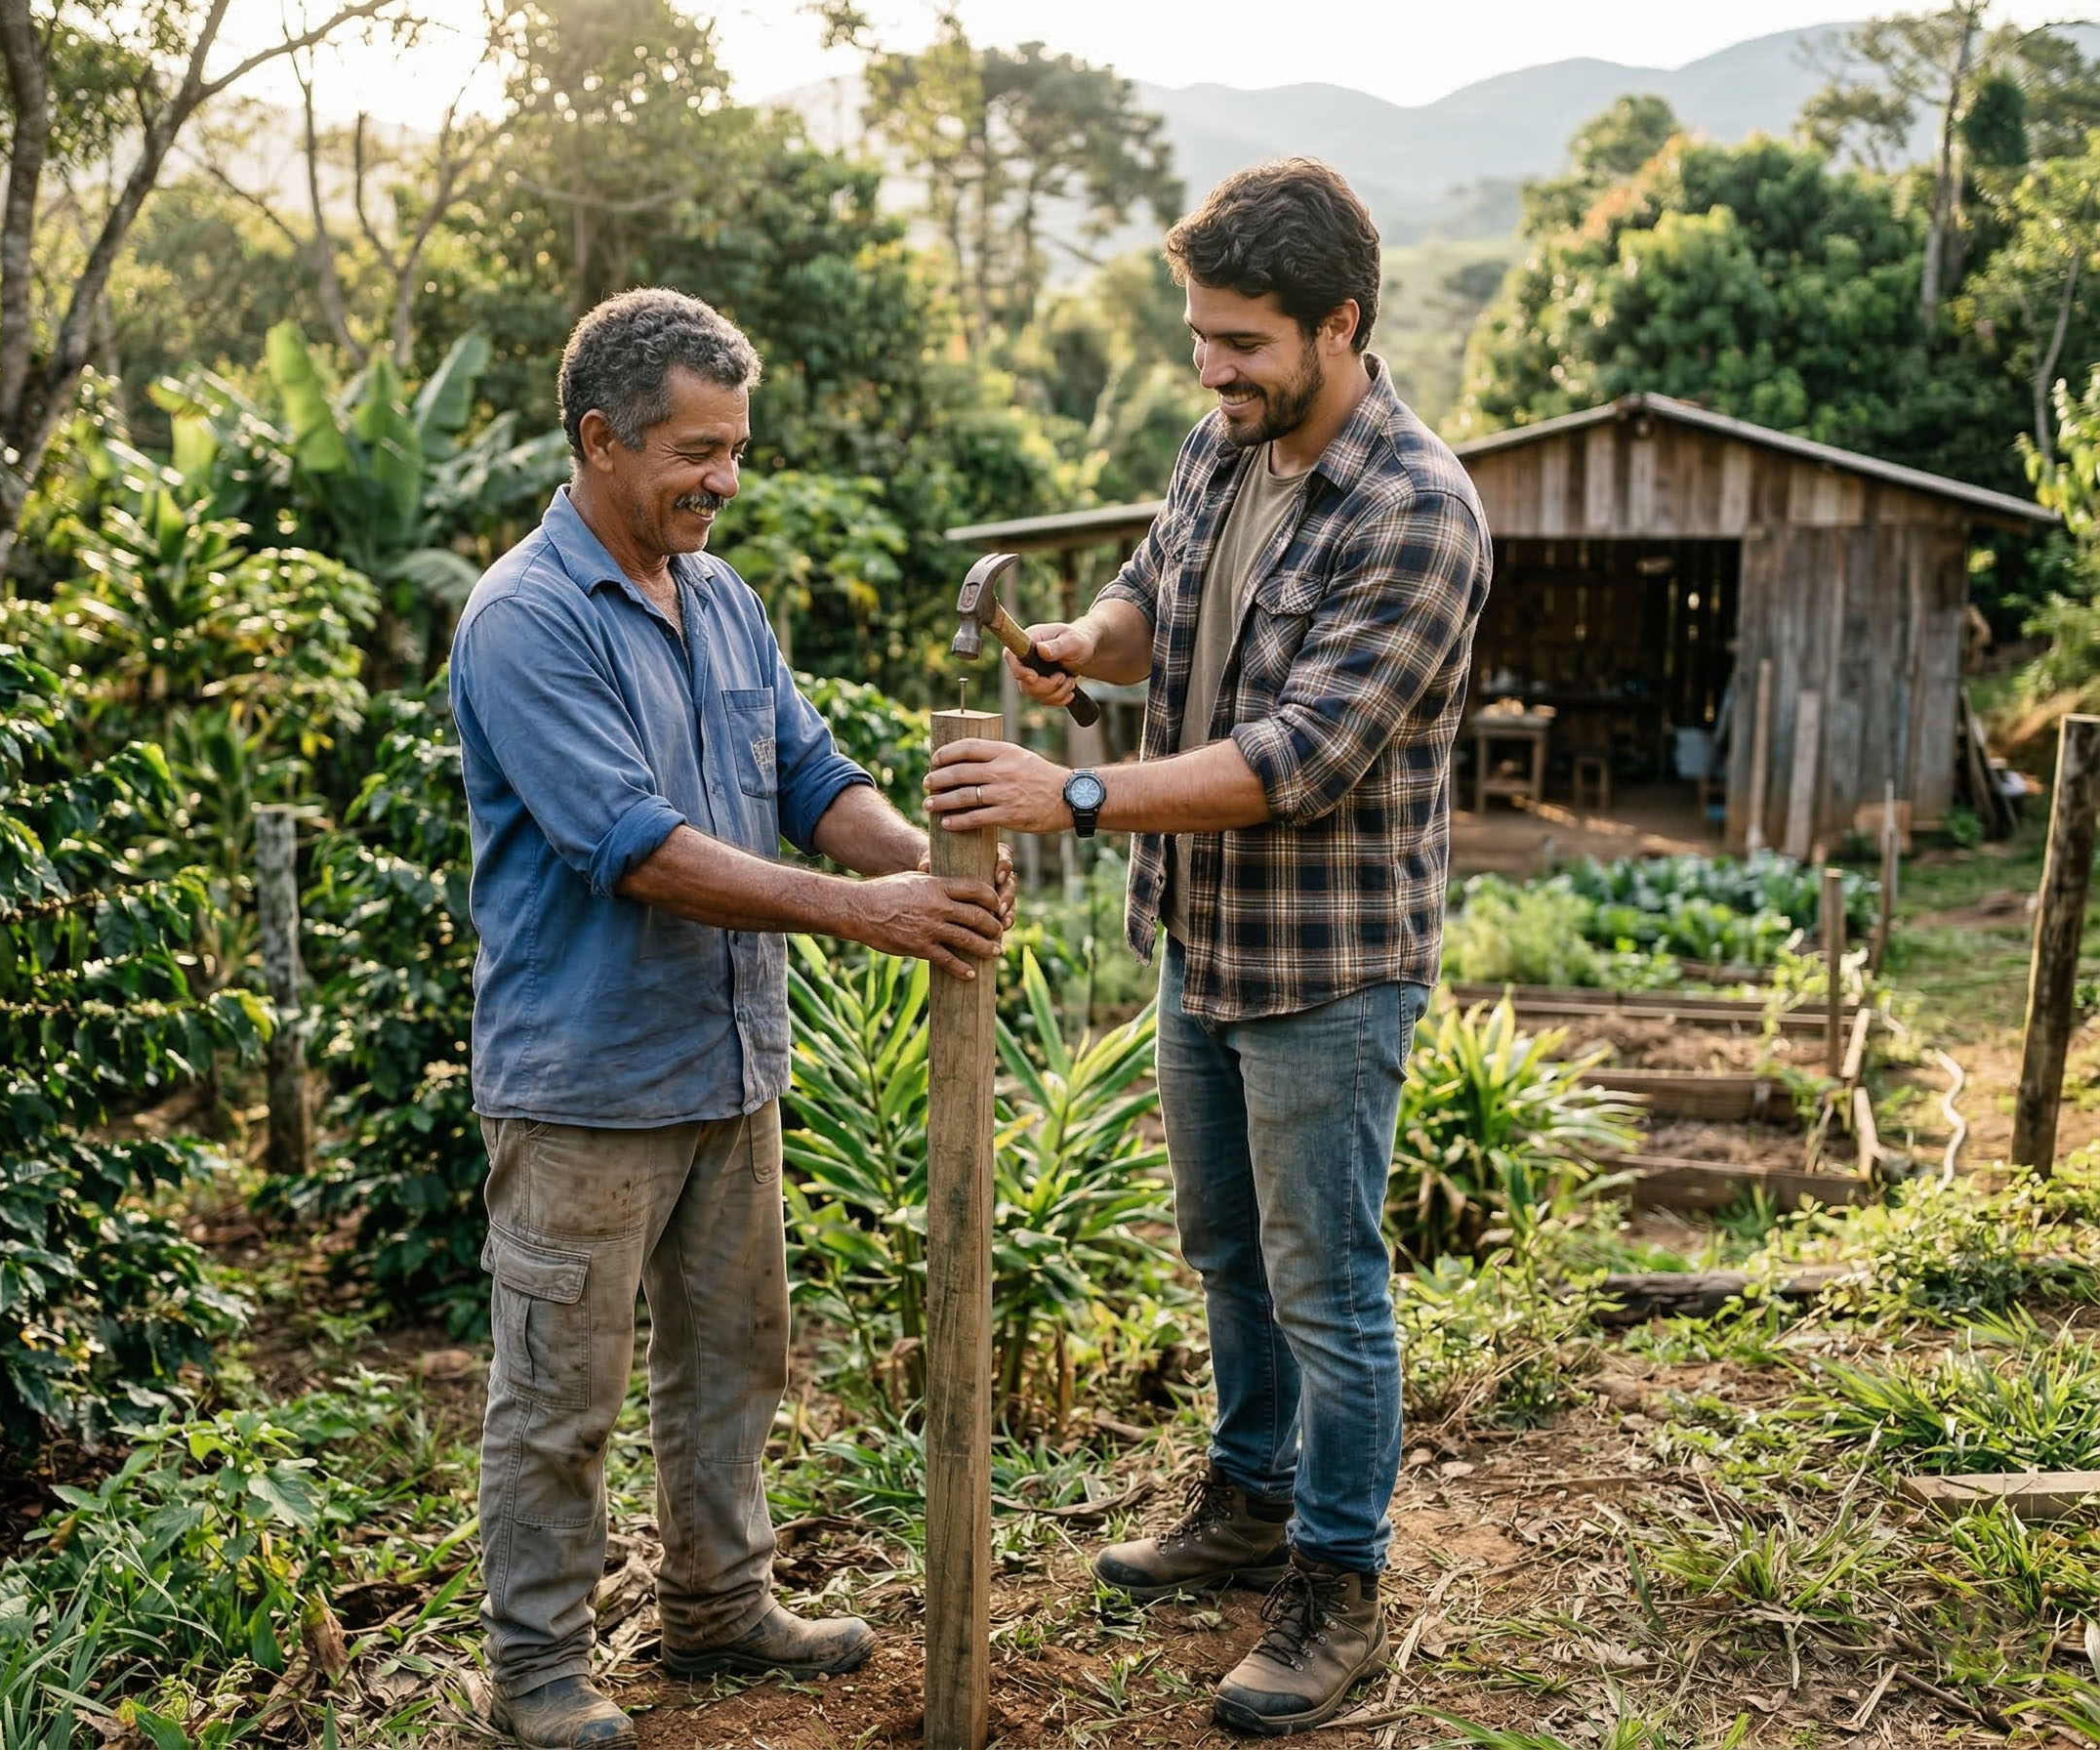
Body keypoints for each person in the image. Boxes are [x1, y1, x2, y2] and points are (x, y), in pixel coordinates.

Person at [925, 159, 1491, 1735]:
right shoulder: (1220, 444)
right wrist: (1079, 649)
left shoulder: (1418, 514)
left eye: (1242, 341)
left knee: (1329, 1285)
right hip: (1203, 938)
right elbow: (1151, 597)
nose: (1212, 368)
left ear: (1340, 324)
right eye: (1200, 337)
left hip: (1328, 968)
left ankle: (1336, 1577)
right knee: (1227, 1255)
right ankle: (1247, 1499)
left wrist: (1074, 791)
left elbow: (1299, 756)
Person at [452, 287, 1013, 1750]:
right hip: (582, 1081)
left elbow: (812, 777)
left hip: (725, 1061)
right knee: (557, 1394)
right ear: (599, 439)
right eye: (696, 452)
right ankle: (537, 1676)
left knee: (732, 1360)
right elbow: (633, 848)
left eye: (736, 451)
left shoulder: (723, 599)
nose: (723, 480)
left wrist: (921, 861)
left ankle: (717, 1609)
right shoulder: (527, 618)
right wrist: (867, 917)